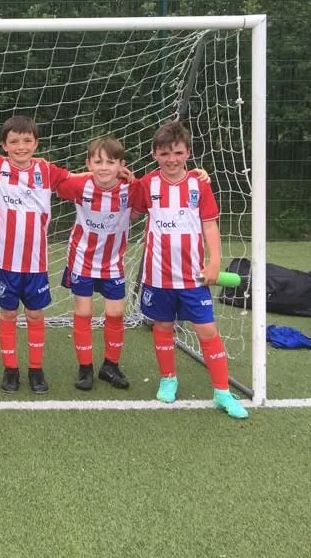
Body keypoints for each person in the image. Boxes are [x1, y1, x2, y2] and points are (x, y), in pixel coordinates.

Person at [130, 121, 249, 419]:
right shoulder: (147, 184)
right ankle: (168, 379)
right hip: (157, 275)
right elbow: (133, 212)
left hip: (193, 276)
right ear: (154, 153)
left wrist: (214, 262)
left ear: (188, 153)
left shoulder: (199, 185)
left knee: (207, 329)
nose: (172, 159)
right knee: (163, 327)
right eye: (165, 153)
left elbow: (210, 225)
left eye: (178, 152)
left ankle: (222, 391)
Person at [0, 116, 71, 395]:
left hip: (36, 261)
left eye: (27, 140)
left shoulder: (47, 170)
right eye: (14, 141)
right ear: (4, 145)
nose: (21, 146)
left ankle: (36, 369)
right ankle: (10, 369)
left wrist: (112, 175)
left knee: (36, 315)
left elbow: (76, 181)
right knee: (9, 313)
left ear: (36, 143)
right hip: (6, 261)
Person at [54, 136, 133, 391]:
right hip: (82, 260)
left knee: (116, 313)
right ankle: (85, 367)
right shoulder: (80, 186)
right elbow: (55, 179)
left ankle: (110, 365)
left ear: (121, 164)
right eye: (97, 161)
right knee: (84, 313)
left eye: (111, 162)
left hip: (112, 263)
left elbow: (159, 188)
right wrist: (82, 173)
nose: (104, 167)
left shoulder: (131, 188)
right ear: (88, 164)